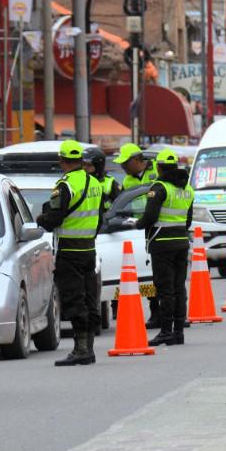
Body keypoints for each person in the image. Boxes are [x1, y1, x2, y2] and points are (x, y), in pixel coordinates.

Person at [36, 140, 104, 366]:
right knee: (89, 297)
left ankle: (81, 349)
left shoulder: (65, 185)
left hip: (69, 250)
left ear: (62, 161)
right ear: (81, 160)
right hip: (89, 248)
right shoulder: (94, 182)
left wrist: (41, 219)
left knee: (74, 299)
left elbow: (54, 219)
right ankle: (88, 349)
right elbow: (99, 217)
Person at [134, 148, 193, 346]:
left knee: (165, 289)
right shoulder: (187, 189)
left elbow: (149, 217)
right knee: (179, 287)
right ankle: (178, 332)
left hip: (162, 244)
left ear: (159, 167)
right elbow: (188, 220)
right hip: (181, 242)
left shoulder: (159, 187)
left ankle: (166, 331)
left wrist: (137, 224)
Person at [114, 143, 162, 327]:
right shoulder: (127, 181)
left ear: (136, 160)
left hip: (159, 227)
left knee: (165, 275)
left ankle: (175, 313)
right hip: (137, 230)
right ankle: (155, 312)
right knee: (147, 273)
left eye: (125, 163)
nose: (122, 167)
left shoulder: (157, 171)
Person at [84, 147, 120, 214]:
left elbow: (119, 205)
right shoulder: (79, 180)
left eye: (89, 165)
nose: (85, 167)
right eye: (83, 164)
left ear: (98, 166)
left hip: (105, 218)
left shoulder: (110, 183)